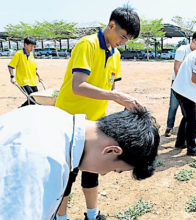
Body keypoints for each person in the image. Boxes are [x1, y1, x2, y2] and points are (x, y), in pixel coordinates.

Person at [55, 7, 142, 220]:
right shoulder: (88, 44)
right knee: (68, 176)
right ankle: (61, 217)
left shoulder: (116, 54)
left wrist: (120, 105)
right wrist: (119, 97)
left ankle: (92, 215)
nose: (123, 42)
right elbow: (79, 86)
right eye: (122, 36)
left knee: (92, 171)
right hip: (71, 122)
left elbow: (109, 88)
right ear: (111, 26)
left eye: (128, 39)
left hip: (94, 124)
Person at [0, 105, 159, 220]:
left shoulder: (53, 116)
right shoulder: (45, 162)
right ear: (111, 151)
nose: (103, 173)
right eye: (114, 169)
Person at [164, 30, 196, 137]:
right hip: (178, 82)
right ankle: (169, 128)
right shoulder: (182, 50)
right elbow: (176, 68)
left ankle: (191, 131)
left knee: (189, 110)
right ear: (193, 41)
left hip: (190, 83)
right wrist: (182, 84)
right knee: (173, 106)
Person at [7, 37, 43, 107]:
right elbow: (10, 66)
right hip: (23, 81)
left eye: (33, 46)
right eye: (31, 46)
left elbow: (34, 68)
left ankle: (25, 110)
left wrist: (39, 77)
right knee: (32, 98)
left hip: (32, 81)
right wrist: (12, 77)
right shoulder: (19, 54)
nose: (32, 48)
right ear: (25, 44)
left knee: (36, 98)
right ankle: (20, 109)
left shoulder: (31, 55)